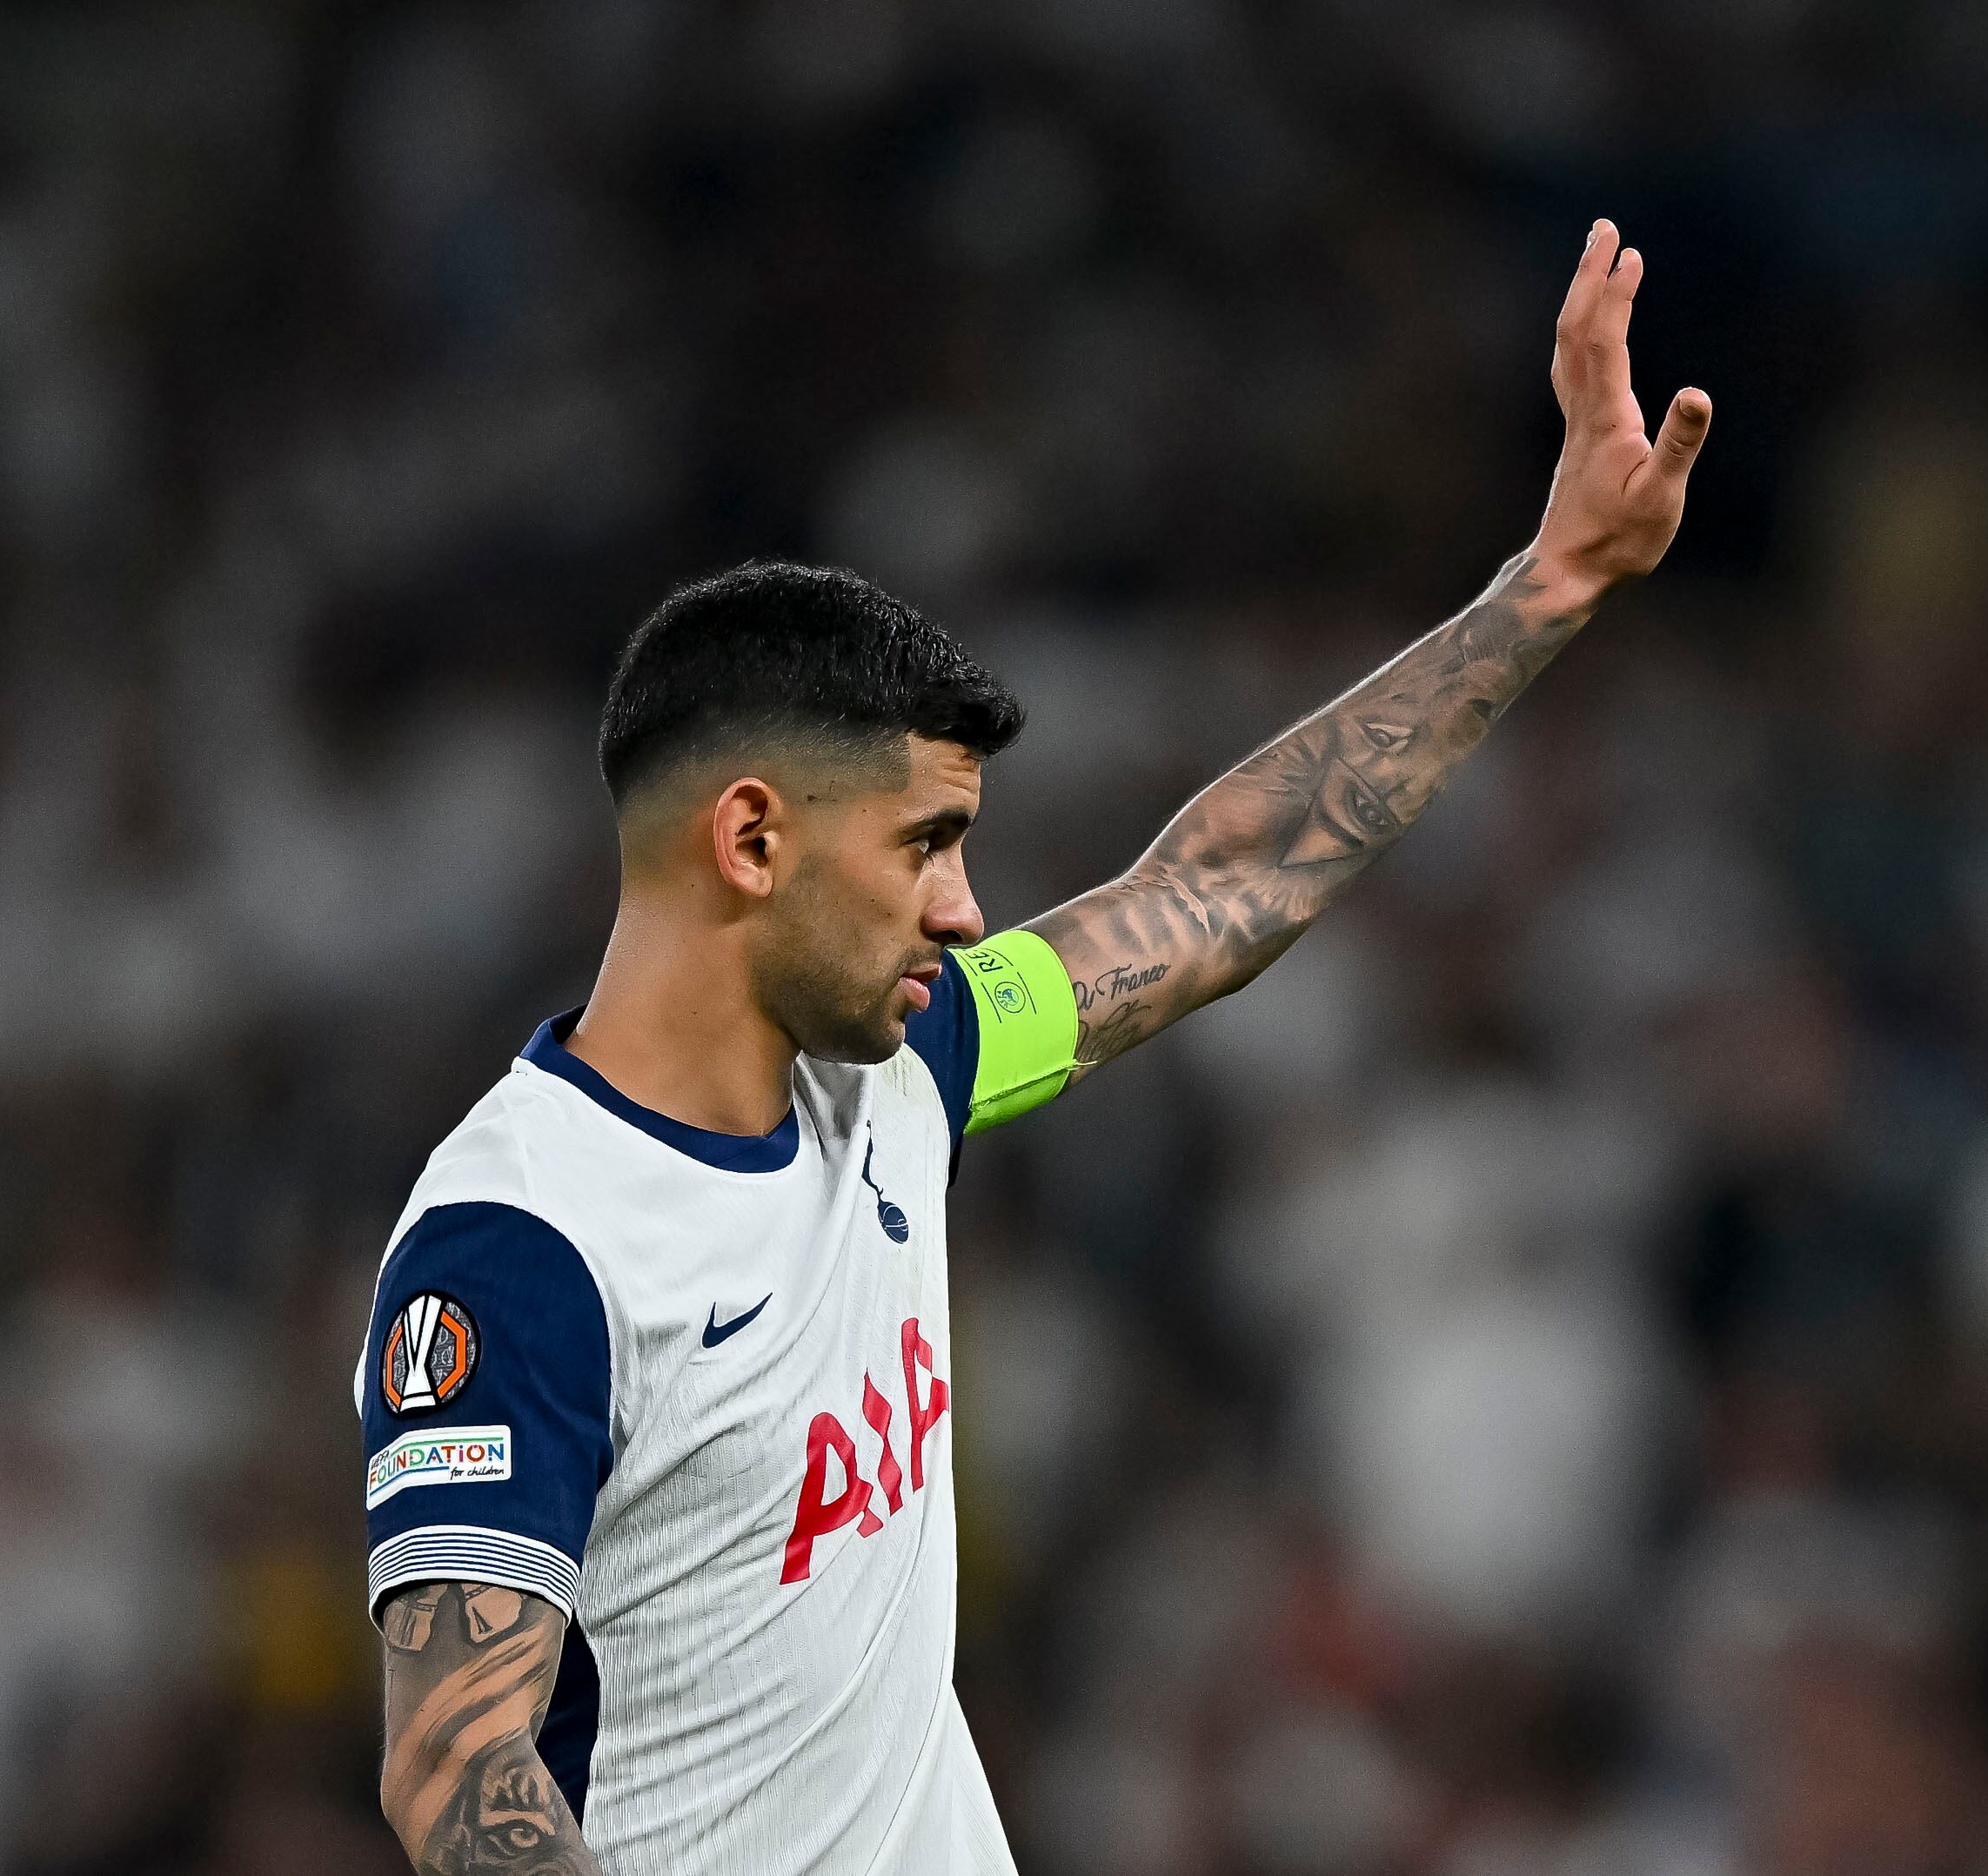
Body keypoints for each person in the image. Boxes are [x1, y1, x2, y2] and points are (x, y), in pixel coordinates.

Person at [358, 218, 1708, 1876]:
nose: (967, 911)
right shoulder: (525, 1240)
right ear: (752, 839)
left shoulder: (898, 1071)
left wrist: (1547, 584)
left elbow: (1217, 885)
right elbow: (455, 1776)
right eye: (924, 845)